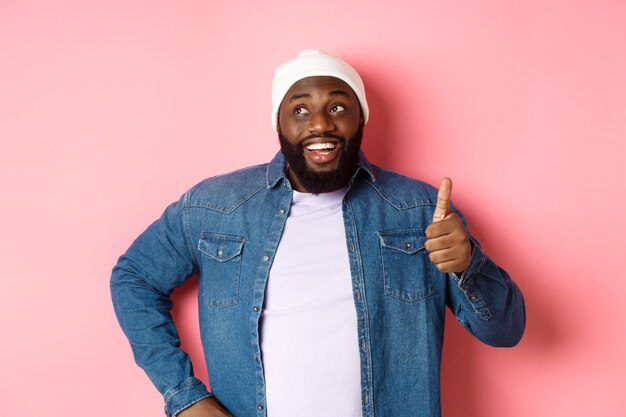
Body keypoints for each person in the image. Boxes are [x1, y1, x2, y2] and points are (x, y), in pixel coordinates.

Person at [111, 49, 525, 417]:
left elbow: (505, 331)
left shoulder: (420, 210)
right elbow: (133, 278)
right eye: (301, 109)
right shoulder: (215, 206)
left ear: (361, 116)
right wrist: (184, 397)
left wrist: (469, 263)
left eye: (338, 107)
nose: (321, 124)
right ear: (279, 121)